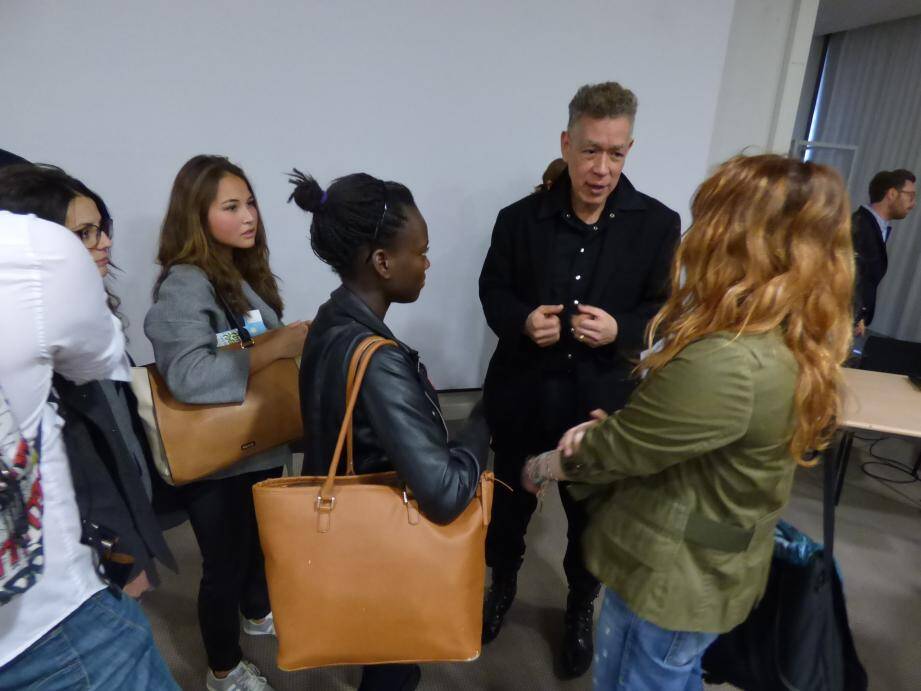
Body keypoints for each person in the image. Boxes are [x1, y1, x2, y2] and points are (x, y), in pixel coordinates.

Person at [521, 154, 854, 690]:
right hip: (705, 559)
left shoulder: (729, 359)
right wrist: (642, 428)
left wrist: (548, 464)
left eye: (710, 218)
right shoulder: (787, 336)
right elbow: (686, 433)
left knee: (640, 679)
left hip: (676, 573)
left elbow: (614, 451)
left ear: (742, 238)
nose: (695, 235)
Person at [477, 81, 680, 677]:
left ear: (630, 149)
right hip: (523, 394)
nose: (602, 168)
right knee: (510, 507)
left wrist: (622, 329)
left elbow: (665, 310)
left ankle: (578, 610)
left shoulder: (658, 224)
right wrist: (520, 321)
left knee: (590, 522)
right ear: (566, 144)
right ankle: (502, 584)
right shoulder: (518, 219)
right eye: (591, 150)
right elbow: (492, 290)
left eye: (616, 153)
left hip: (600, 406)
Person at [289, 169, 489, 691]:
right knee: (391, 662)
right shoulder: (378, 360)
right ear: (382, 261)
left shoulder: (332, 317)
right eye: (419, 251)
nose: (426, 263)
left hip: (348, 534)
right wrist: (479, 428)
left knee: (383, 650)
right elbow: (444, 493)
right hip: (383, 545)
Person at [145, 155, 309, 691]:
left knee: (261, 541)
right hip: (216, 458)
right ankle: (222, 668)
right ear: (197, 215)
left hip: (254, 442)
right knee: (223, 563)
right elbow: (188, 372)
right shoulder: (185, 283)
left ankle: (256, 610)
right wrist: (275, 347)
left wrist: (266, 342)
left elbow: (223, 341)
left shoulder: (234, 273)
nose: (250, 216)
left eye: (251, 202)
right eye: (231, 206)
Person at [0, 210, 178, 689]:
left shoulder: (246, 283)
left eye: (101, 230)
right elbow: (193, 369)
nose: (100, 243)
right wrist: (259, 346)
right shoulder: (184, 288)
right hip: (50, 616)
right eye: (82, 232)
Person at [852, 168, 916, 334]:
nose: (913, 204)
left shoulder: (875, 226)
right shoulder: (860, 226)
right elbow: (850, 276)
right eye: (910, 196)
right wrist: (854, 316)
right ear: (892, 194)